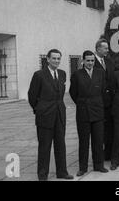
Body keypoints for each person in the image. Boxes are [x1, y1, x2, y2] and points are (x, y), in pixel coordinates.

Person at [28, 49, 73, 181]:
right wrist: (40, 109)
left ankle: (62, 172)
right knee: (44, 146)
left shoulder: (62, 74)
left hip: (59, 114)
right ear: (47, 59)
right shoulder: (39, 75)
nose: (56, 61)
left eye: (59, 58)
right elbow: (32, 96)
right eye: (54, 58)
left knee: (60, 144)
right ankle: (42, 175)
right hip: (45, 116)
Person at [69, 50, 109, 176]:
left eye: (92, 60)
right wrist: (82, 103)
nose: (90, 63)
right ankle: (83, 167)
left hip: (98, 111)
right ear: (83, 61)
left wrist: (97, 103)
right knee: (84, 141)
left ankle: (99, 165)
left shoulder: (100, 73)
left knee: (98, 140)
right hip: (83, 112)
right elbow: (73, 93)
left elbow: (103, 91)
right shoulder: (76, 74)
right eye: (88, 60)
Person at [93, 39, 115, 161]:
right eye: (105, 48)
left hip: (109, 103)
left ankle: (108, 154)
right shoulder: (91, 61)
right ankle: (98, 156)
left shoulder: (109, 61)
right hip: (97, 103)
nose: (107, 50)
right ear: (98, 48)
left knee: (109, 130)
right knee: (98, 132)